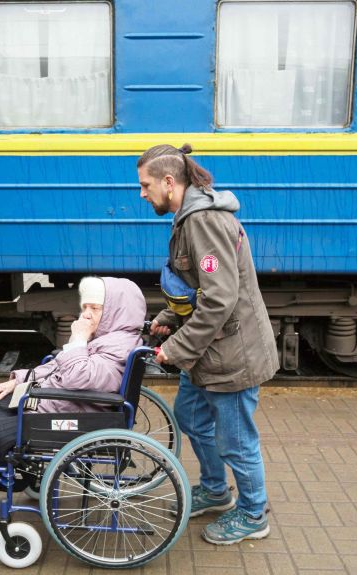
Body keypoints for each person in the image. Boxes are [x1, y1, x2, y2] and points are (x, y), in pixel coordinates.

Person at [0, 276, 147, 519]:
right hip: (68, 404)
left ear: (116, 312)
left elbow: (78, 377)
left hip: (79, 417)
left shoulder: (116, 346)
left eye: (95, 309)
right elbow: (57, 368)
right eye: (85, 307)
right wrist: (18, 380)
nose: (86, 314)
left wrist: (78, 340)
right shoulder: (107, 337)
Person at [137, 143, 279, 545]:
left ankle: (253, 514)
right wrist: (168, 318)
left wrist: (175, 350)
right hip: (208, 354)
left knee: (236, 441)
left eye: (146, 185)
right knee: (192, 418)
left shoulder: (202, 221)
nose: (142, 193)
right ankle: (216, 491)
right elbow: (196, 287)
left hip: (232, 357)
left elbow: (219, 299)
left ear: (169, 182)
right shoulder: (186, 218)